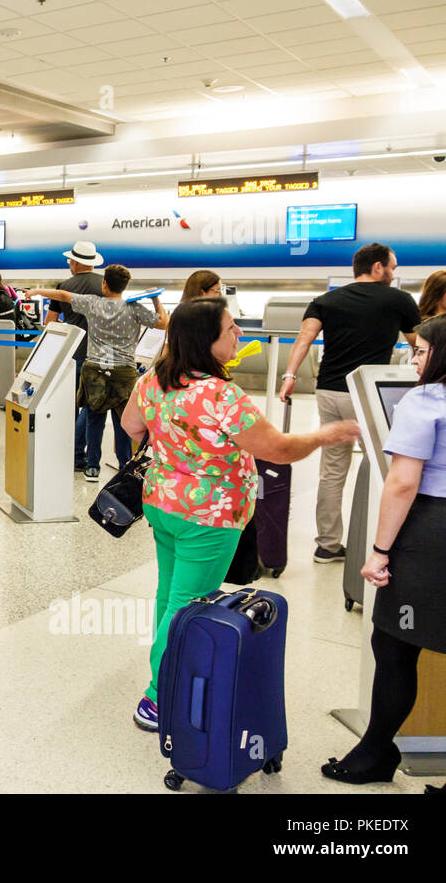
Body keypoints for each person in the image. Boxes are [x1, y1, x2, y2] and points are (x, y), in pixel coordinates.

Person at [121, 297, 360, 732]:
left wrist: (177, 444)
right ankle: (158, 697)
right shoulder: (220, 394)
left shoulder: (153, 380)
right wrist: (327, 434)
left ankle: (165, 678)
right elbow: (278, 449)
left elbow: (131, 427)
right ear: (207, 340)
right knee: (187, 606)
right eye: (231, 329)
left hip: (163, 503)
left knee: (168, 596)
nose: (239, 335)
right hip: (208, 516)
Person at [322, 312, 446, 791]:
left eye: (422, 351)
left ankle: (376, 752)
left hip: (436, 533)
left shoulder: (426, 398)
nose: (414, 359)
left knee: (394, 643)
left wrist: (379, 552)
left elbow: (402, 482)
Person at [280, 243, 421, 563]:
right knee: (390, 466)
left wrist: (289, 376)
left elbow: (304, 339)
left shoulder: (326, 300)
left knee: (332, 470)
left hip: (329, 391)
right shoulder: (399, 300)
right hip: (370, 392)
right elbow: (420, 346)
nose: (393, 274)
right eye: (391, 268)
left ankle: (327, 545)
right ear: (377, 268)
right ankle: (385, 542)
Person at [27, 265, 169, 481]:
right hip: (124, 372)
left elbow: (63, 295)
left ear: (105, 283)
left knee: (94, 419)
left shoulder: (92, 303)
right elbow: (163, 323)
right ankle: (125, 465)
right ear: (125, 286)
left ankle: (92, 467)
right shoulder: (134, 308)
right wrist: (156, 300)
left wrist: (37, 292)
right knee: (124, 421)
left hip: (95, 370)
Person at [45, 242, 106, 472]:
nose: (69, 264)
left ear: (77, 262)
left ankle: (70, 453)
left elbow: (49, 323)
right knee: (91, 407)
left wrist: (69, 326)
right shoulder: (104, 284)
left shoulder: (63, 286)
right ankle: (83, 458)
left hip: (72, 355)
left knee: (70, 406)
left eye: (70, 260)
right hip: (100, 355)